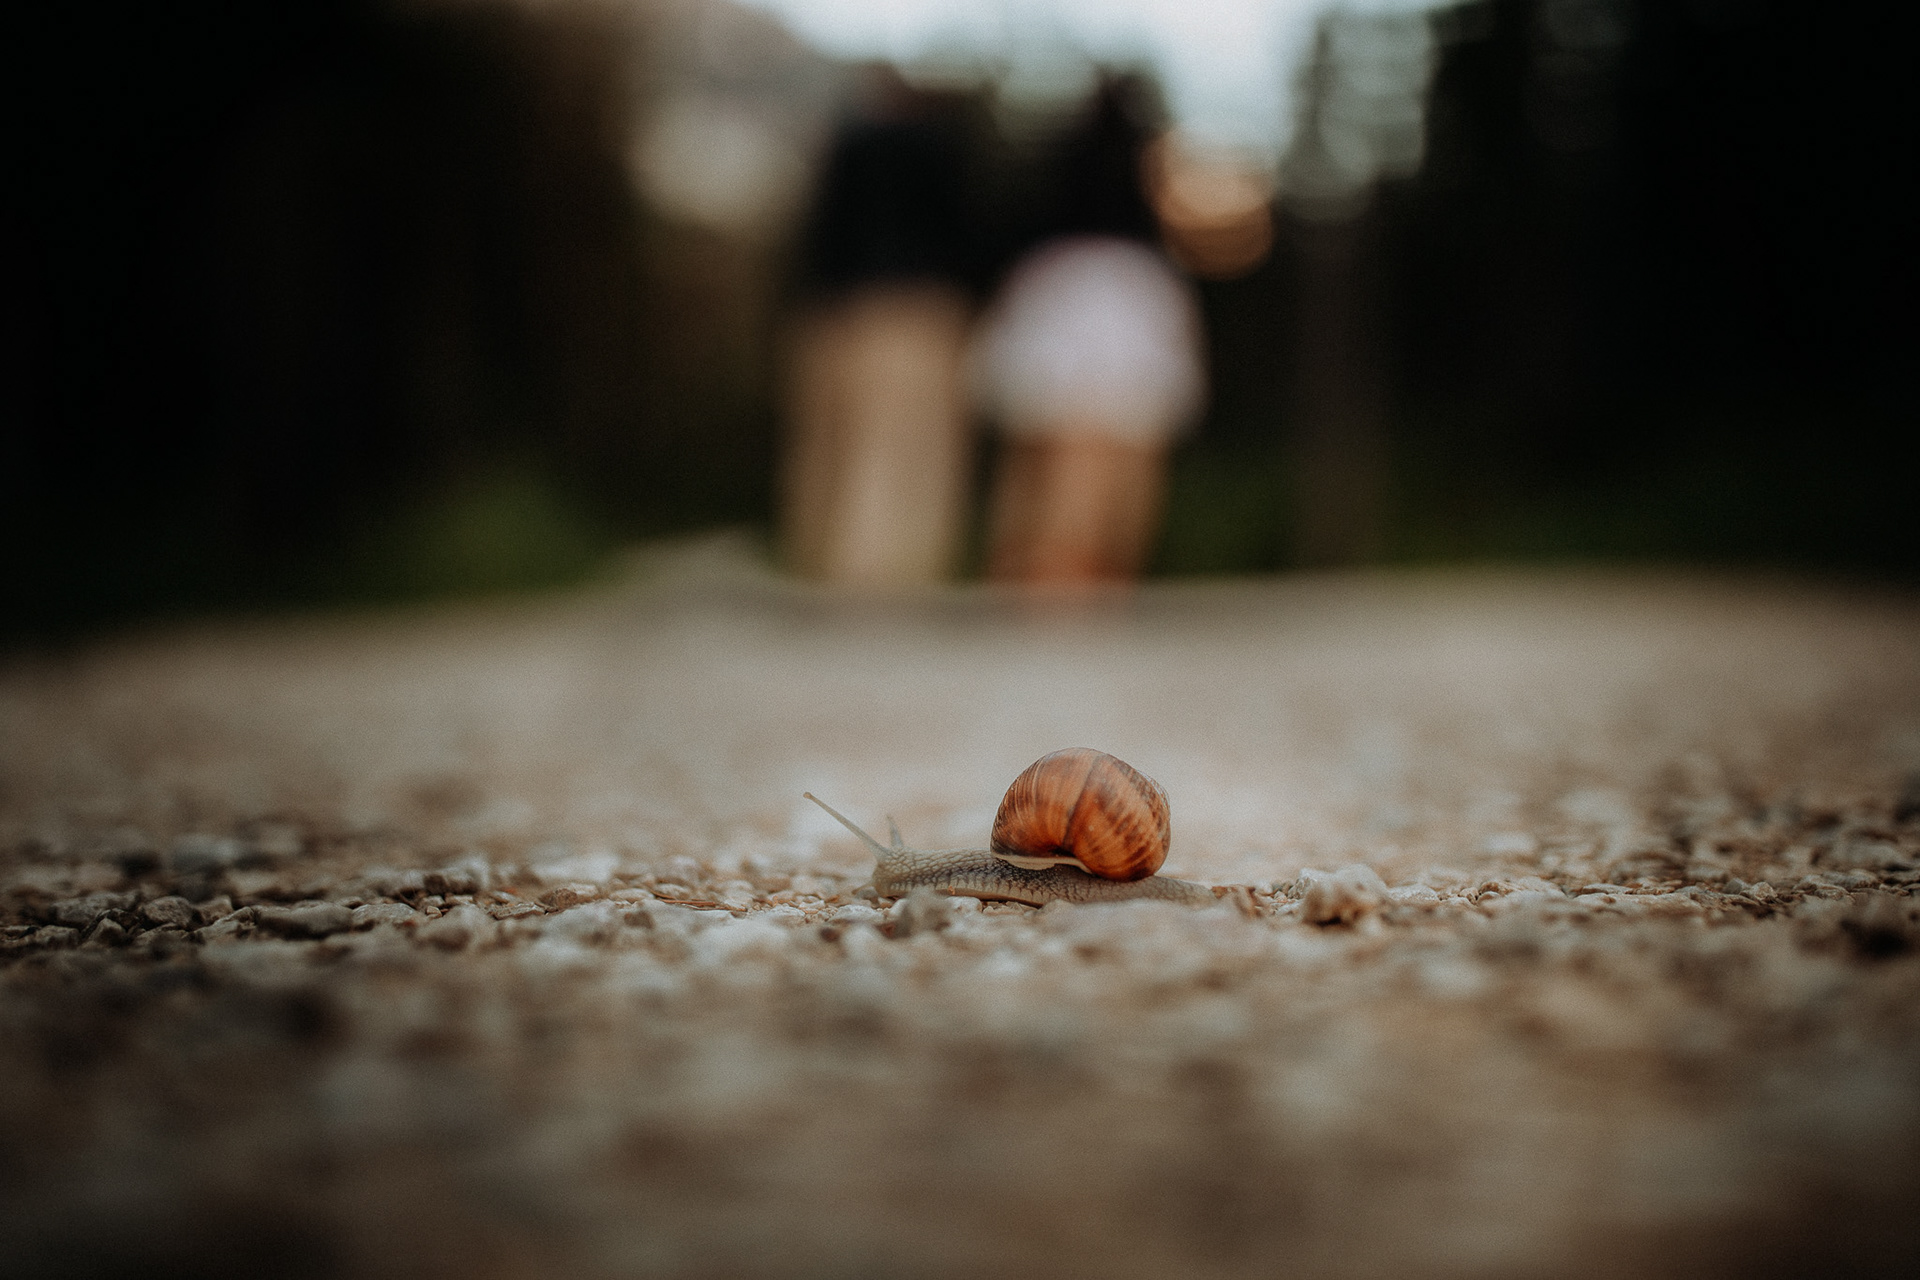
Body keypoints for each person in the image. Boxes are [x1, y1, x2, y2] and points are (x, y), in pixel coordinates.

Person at [971, 81, 1205, 588]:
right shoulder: (1146, 176)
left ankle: (1044, 572)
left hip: (1060, 290)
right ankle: (1075, 574)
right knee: (1106, 458)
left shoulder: (1057, 178)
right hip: (1116, 299)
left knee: (1045, 459)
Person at [779, 70, 977, 587]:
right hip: (919, 311)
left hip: (846, 309)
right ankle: (889, 567)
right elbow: (961, 231)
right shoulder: (936, 150)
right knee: (910, 448)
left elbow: (823, 232)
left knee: (838, 447)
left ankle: (836, 560)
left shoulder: (849, 147)